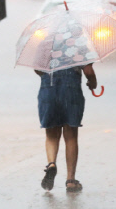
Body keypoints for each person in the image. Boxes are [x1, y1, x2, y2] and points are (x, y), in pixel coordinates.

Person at [35, 64, 97, 193]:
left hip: (48, 91)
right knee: (71, 137)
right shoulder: (78, 46)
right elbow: (88, 71)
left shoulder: (44, 46)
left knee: (51, 135)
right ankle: (70, 181)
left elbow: (38, 69)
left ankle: (51, 164)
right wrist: (92, 82)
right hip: (71, 91)